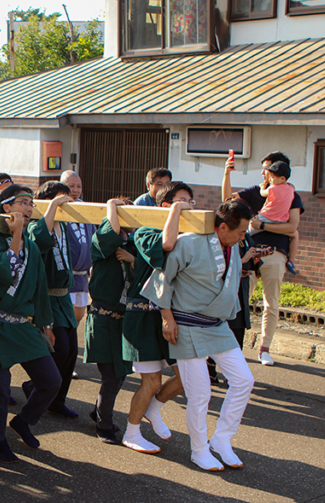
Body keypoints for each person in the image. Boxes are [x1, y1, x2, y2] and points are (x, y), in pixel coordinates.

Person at [142, 200, 256, 472]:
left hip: (216, 324)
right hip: (187, 324)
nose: (244, 237)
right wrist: (167, 318)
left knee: (243, 380)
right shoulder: (189, 242)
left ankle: (222, 439)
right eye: (240, 232)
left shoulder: (232, 245)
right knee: (200, 394)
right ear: (223, 227)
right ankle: (199, 450)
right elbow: (163, 278)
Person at [0, 184, 60, 463]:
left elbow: (39, 287)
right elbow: (1, 272)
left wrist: (46, 324)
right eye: (23, 202)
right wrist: (16, 236)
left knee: (51, 380)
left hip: (23, 323)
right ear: (6, 208)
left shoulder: (32, 247)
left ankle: (23, 422)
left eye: (30, 203)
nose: (28, 208)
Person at [121, 182, 191, 454]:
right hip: (143, 315)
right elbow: (167, 243)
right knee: (151, 381)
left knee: (188, 376)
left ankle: (155, 407)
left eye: (191, 202)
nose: (189, 206)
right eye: (181, 201)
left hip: (173, 314)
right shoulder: (146, 231)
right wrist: (177, 211)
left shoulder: (192, 233)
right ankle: (132, 431)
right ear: (166, 206)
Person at [222, 150, 304, 367]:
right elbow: (227, 201)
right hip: (249, 252)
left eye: (269, 168)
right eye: (265, 168)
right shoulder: (256, 191)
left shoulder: (291, 194)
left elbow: (293, 227)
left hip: (276, 252)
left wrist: (263, 225)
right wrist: (227, 175)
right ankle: (230, 344)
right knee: (239, 298)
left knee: (271, 302)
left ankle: (264, 348)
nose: (265, 172)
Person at [23, 182, 80, 419]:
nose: (66, 203)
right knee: (58, 348)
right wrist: (54, 206)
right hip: (46, 296)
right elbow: (38, 241)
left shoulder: (64, 227)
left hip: (64, 297)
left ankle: (57, 399)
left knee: (72, 351)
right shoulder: (37, 225)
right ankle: (36, 387)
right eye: (60, 199)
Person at [83, 198, 134, 444]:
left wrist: (132, 259)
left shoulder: (133, 243)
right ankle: (104, 425)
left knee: (120, 374)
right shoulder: (101, 240)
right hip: (103, 318)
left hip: (122, 321)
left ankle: (99, 411)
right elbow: (109, 235)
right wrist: (112, 206)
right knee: (111, 376)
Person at [60, 170, 96, 343]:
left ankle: (69, 359)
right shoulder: (58, 208)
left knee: (77, 319)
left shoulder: (86, 208)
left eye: (78, 186)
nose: (75, 190)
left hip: (82, 276)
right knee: (64, 322)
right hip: (64, 277)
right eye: (71, 186)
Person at [250, 161, 298, 274]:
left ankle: (244, 253)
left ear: (282, 178)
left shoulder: (272, 189)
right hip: (282, 221)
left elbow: (263, 193)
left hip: (265, 217)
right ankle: (291, 260)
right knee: (295, 235)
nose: (270, 179)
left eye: (272, 177)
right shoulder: (291, 189)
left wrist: (262, 187)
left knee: (248, 231)